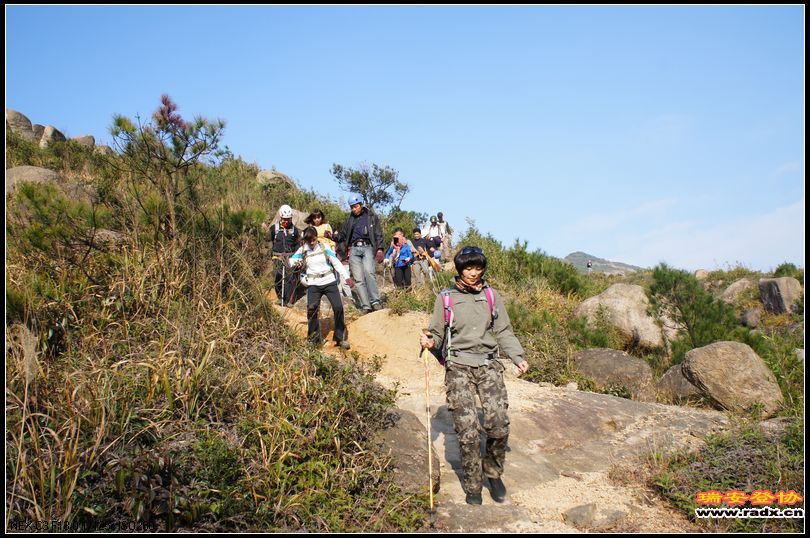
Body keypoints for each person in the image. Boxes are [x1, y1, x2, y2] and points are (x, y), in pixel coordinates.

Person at [419, 246, 529, 505]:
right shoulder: (446, 298)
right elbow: (437, 332)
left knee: (498, 425)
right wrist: (429, 341)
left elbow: (504, 331)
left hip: (489, 365)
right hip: (458, 366)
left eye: (478, 268)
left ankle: (493, 472)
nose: (473, 273)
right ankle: (473, 485)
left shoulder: (491, 296)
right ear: (460, 269)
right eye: (468, 267)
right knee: (467, 430)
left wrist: (517, 356)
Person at [289, 227, 355, 349]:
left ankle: (340, 338)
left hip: (329, 281)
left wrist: (346, 277)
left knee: (338, 307)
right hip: (313, 283)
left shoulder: (325, 247)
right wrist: (295, 262)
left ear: (316, 237)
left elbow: (336, 262)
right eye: (308, 240)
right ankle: (313, 339)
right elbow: (291, 261)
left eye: (313, 239)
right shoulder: (302, 250)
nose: (311, 242)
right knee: (312, 309)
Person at [335, 194, 385, 314]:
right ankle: (365, 305)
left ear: (361, 204)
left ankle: (375, 302)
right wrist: (333, 236)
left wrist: (380, 249)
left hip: (367, 247)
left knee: (369, 273)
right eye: (352, 207)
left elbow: (378, 233)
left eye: (356, 206)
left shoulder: (371, 217)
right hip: (354, 249)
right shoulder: (349, 219)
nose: (354, 209)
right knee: (358, 279)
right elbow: (343, 234)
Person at [267, 204, 304, 306]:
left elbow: (297, 244)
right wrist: (271, 254)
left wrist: (297, 257)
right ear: (280, 217)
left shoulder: (295, 230)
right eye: (284, 219)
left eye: (288, 219)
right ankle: (280, 297)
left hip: (291, 257)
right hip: (277, 256)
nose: (286, 221)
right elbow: (270, 242)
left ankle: (288, 300)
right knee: (278, 276)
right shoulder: (274, 229)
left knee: (290, 278)